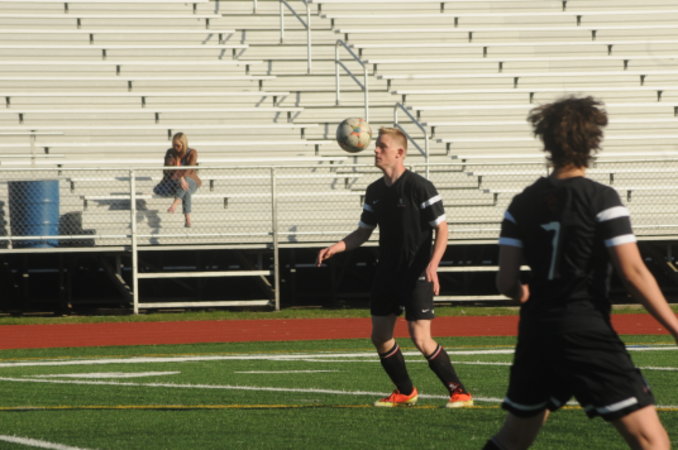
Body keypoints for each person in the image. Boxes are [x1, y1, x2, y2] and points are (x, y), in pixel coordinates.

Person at [484, 96, 678, 449]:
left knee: (512, 439)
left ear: (546, 141)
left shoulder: (521, 204)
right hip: (585, 331)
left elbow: (506, 282)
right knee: (653, 441)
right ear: (592, 140)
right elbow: (634, 272)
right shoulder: (601, 199)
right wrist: (675, 326)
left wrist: (522, 292)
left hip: (537, 332)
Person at [316, 127, 473, 408]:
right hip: (387, 272)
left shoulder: (420, 187)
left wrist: (433, 265)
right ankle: (405, 391)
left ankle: (459, 392)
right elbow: (363, 231)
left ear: (399, 153)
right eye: (376, 145)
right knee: (380, 336)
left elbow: (442, 229)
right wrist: (336, 247)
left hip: (416, 272)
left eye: (382, 146)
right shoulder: (375, 191)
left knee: (420, 338)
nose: (375, 150)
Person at [153, 132, 202, 228]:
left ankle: (175, 204)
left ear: (184, 144)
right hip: (174, 182)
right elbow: (168, 168)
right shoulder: (170, 152)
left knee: (186, 182)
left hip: (192, 180)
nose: (176, 147)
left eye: (178, 145)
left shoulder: (192, 152)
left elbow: (189, 170)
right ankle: (188, 218)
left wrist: (182, 178)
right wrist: (180, 178)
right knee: (186, 189)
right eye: (174, 145)